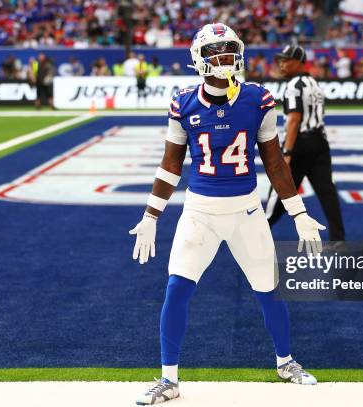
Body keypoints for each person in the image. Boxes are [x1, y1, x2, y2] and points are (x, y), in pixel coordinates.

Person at [130, 23, 324, 405]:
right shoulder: (183, 102)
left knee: (268, 291)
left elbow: (275, 162)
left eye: (228, 50)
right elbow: (170, 166)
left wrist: (297, 210)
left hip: (247, 211)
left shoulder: (258, 99)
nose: (223, 59)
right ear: (198, 60)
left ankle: (285, 362)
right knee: (177, 290)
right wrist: (152, 215)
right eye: (214, 53)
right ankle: (168, 378)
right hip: (199, 212)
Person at [266, 45, 345, 242]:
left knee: (280, 189)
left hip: (299, 143)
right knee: (327, 193)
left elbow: (294, 119)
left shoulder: (294, 85)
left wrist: (287, 152)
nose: (281, 64)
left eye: (286, 60)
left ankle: (261, 231)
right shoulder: (314, 83)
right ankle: (338, 239)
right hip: (320, 142)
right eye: (281, 60)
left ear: (300, 62)